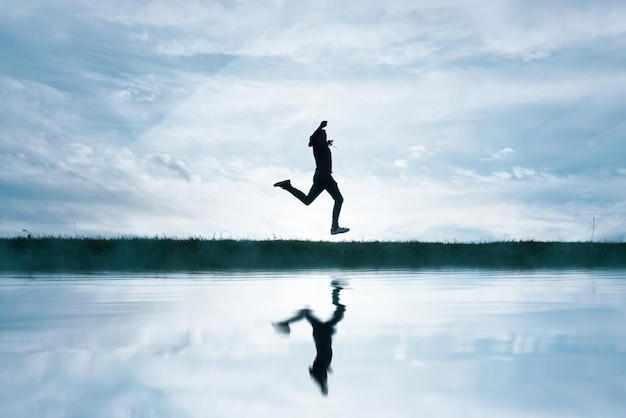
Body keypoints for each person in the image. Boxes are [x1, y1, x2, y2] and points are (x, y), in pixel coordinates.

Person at [274, 121, 349, 235]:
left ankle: (287, 186)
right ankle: (334, 227)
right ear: (318, 137)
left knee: (307, 200)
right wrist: (319, 127)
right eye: (323, 134)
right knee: (339, 199)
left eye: (325, 135)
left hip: (320, 177)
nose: (325, 135)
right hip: (324, 176)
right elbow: (311, 139)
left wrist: (326, 141)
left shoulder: (322, 145)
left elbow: (318, 142)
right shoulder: (317, 144)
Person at [272, 280, 346, 396]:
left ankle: (336, 290)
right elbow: (318, 375)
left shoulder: (321, 364)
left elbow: (316, 375)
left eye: (323, 376)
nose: (325, 376)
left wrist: (322, 386)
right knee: (338, 312)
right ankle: (336, 290)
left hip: (322, 334)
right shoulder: (324, 365)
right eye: (324, 376)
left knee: (336, 312)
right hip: (322, 334)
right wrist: (324, 382)